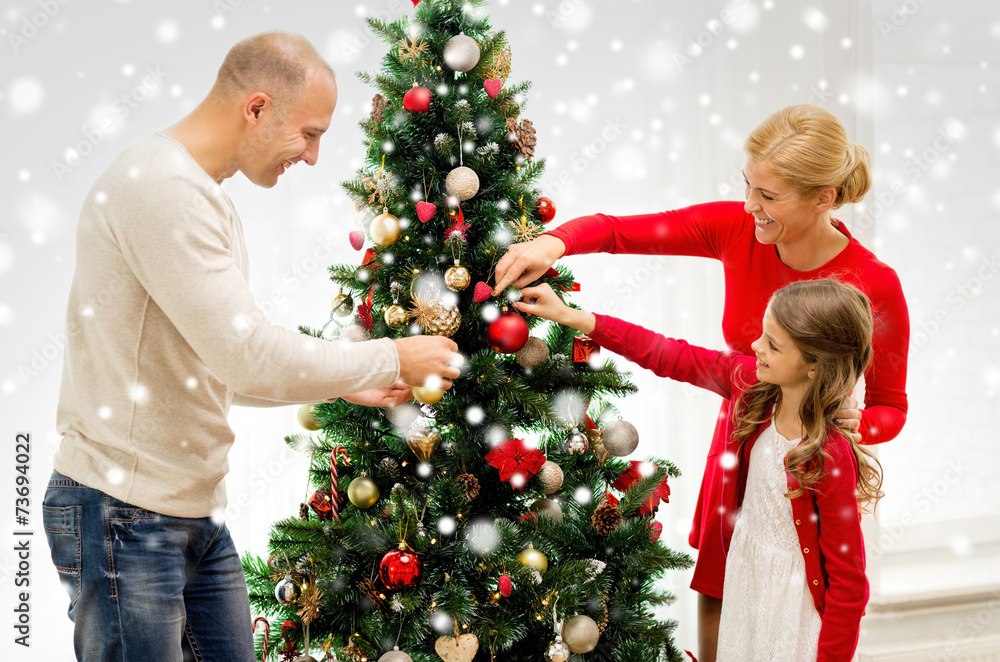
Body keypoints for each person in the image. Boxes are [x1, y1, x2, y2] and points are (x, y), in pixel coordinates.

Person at [42, 32, 461, 662]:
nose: (315, 157)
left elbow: (217, 364)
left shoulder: (203, 196)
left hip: (189, 514)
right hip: (125, 515)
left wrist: (345, 383)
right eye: (310, 134)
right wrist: (394, 355)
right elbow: (247, 353)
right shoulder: (162, 188)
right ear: (257, 108)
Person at [493, 104, 909, 660]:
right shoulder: (738, 230)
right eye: (749, 186)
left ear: (823, 197)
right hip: (739, 440)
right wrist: (553, 244)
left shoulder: (874, 284)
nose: (749, 206)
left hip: (812, 461)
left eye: (769, 195)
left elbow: (892, 407)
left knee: (801, 601)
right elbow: (623, 240)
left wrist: (860, 426)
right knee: (722, 587)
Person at [514, 278, 881, 661]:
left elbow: (849, 585)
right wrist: (572, 317)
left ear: (813, 366)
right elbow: (669, 354)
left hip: (793, 610)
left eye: (773, 344)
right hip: (745, 584)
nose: (756, 346)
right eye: (763, 334)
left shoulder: (831, 456)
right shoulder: (752, 385)